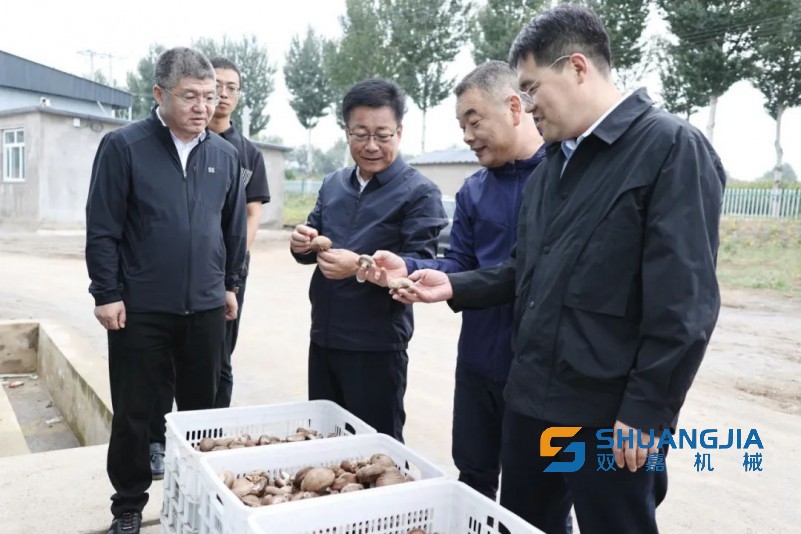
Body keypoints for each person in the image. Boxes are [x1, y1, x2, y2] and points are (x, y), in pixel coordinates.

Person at [388, 4, 726, 534]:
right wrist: (454, 283)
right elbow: (528, 270)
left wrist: (646, 412)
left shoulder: (669, 148)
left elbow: (684, 304)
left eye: (530, 88)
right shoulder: (553, 166)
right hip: (532, 401)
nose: (526, 105)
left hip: (606, 415)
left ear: (576, 68)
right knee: (525, 524)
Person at [362, 61, 546, 500]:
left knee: (537, 499)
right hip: (479, 361)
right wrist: (407, 268)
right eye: (462, 125)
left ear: (514, 108)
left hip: (541, 371)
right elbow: (459, 263)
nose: (466, 136)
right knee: (474, 477)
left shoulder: (561, 179)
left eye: (474, 121)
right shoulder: (474, 190)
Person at [85, 47, 246, 534]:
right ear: (159, 94)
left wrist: (230, 285)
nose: (203, 106)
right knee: (136, 413)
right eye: (190, 96)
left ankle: (195, 500)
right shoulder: (124, 147)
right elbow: (103, 227)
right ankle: (128, 506)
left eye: (210, 96)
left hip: (205, 308)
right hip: (141, 309)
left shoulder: (224, 154)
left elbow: (232, 230)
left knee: (202, 414)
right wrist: (106, 292)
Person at [290, 78, 448, 442]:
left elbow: (420, 269)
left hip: (376, 347)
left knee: (377, 450)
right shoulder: (333, 183)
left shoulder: (419, 192)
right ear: (347, 132)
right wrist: (302, 244)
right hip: (324, 337)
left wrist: (359, 266)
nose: (371, 145)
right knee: (324, 442)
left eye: (382, 135)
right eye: (360, 134)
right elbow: (313, 240)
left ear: (399, 132)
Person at [147, 57, 271, 480]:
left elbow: (245, 217)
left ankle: (210, 440)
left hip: (220, 278)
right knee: (164, 362)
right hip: (168, 283)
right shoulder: (159, 143)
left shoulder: (243, 153)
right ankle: (158, 441)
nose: (219, 97)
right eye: (215, 87)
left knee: (217, 360)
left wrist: (228, 269)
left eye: (229, 88)